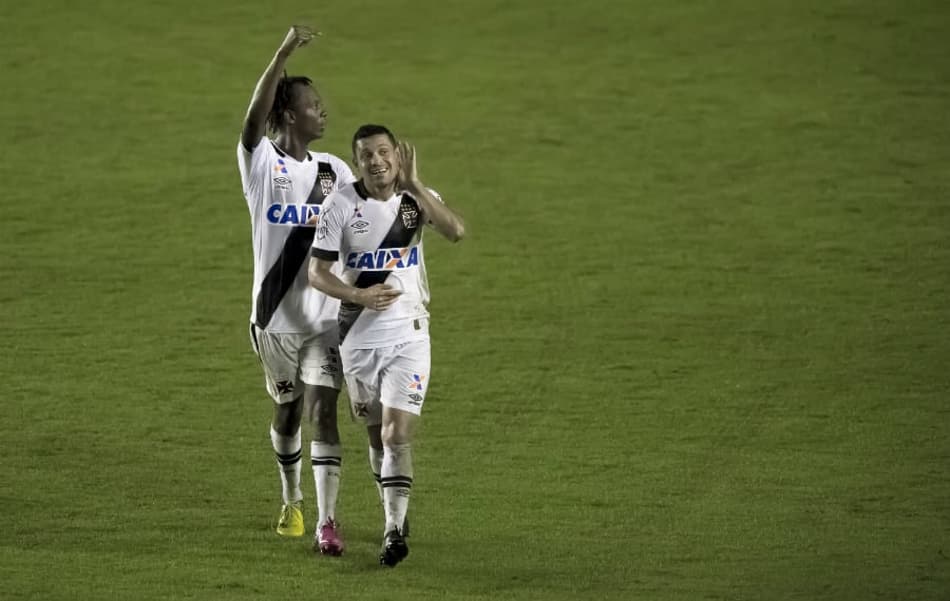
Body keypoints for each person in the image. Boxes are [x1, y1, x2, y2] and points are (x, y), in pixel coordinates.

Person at [308, 124, 465, 567]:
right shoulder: (341, 205)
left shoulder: (416, 200)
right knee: (377, 435)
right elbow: (317, 274)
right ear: (356, 162)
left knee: (398, 434)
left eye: (383, 152)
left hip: (409, 335)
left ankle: (394, 531)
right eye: (366, 156)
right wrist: (359, 296)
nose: (377, 162)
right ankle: (393, 510)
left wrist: (416, 185)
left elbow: (455, 231)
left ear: (398, 155)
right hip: (358, 340)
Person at [236, 25, 356, 556]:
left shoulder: (335, 171)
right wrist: (282, 53)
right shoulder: (262, 164)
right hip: (274, 321)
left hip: (325, 320)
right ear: (289, 115)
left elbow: (357, 235)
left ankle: (328, 522)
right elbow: (251, 121)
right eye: (314, 105)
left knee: (323, 411)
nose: (323, 112)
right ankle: (292, 498)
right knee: (288, 411)